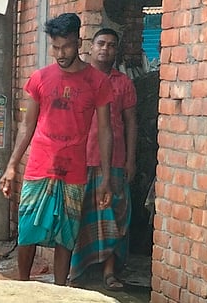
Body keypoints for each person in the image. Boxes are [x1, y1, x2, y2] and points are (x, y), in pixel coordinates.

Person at [0, 12, 113, 286]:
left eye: (66, 46)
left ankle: (60, 290)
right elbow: (27, 126)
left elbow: (105, 131)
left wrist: (106, 178)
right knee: (27, 230)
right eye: (55, 47)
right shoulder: (40, 78)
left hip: (74, 170)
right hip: (39, 167)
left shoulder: (97, 82)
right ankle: (22, 286)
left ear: (78, 41)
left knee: (67, 234)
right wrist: (12, 165)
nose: (60, 53)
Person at [72, 28, 138, 289]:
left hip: (114, 160)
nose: (105, 49)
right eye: (101, 43)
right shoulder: (78, 79)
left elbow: (131, 123)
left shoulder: (123, 83)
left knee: (115, 216)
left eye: (111, 45)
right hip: (80, 159)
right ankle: (76, 272)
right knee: (78, 215)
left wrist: (131, 160)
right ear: (90, 46)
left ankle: (110, 273)